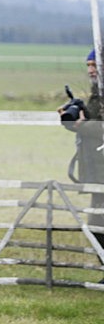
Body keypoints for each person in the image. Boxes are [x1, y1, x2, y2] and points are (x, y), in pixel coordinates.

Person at [59, 49, 104, 253]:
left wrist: (82, 126)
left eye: (95, 65)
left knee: (99, 224)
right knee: (96, 226)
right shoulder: (97, 95)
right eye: (88, 66)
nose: (91, 71)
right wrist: (72, 121)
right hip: (96, 171)